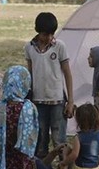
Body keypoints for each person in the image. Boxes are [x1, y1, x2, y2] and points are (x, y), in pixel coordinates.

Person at [25, 12, 74, 159]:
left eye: (51, 34)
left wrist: (70, 101)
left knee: (59, 139)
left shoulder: (59, 46)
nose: (49, 37)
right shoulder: (29, 48)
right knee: (40, 139)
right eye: (45, 34)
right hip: (38, 101)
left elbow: (67, 73)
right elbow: (30, 73)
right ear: (37, 31)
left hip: (57, 101)